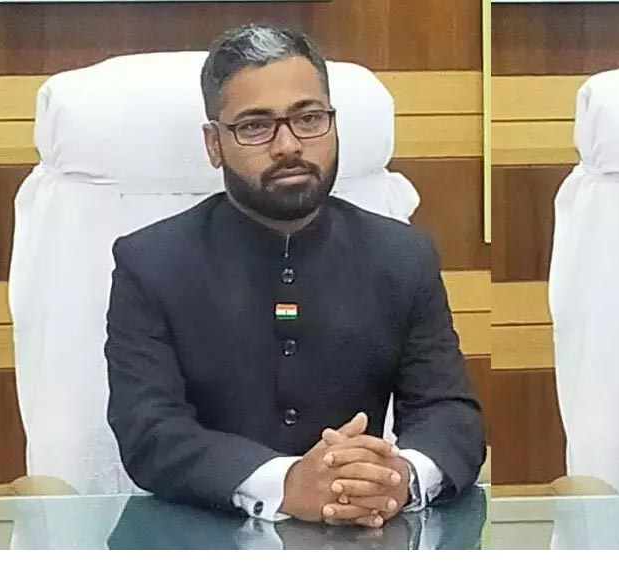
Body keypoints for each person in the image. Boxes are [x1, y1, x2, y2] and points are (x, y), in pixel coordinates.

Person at [104, 23, 486, 528]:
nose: (288, 145)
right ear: (214, 144)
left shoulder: (402, 256)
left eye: (309, 119)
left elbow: (450, 414)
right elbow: (149, 431)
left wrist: (400, 476)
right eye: (255, 126)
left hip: (368, 533)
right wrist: (283, 484)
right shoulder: (151, 263)